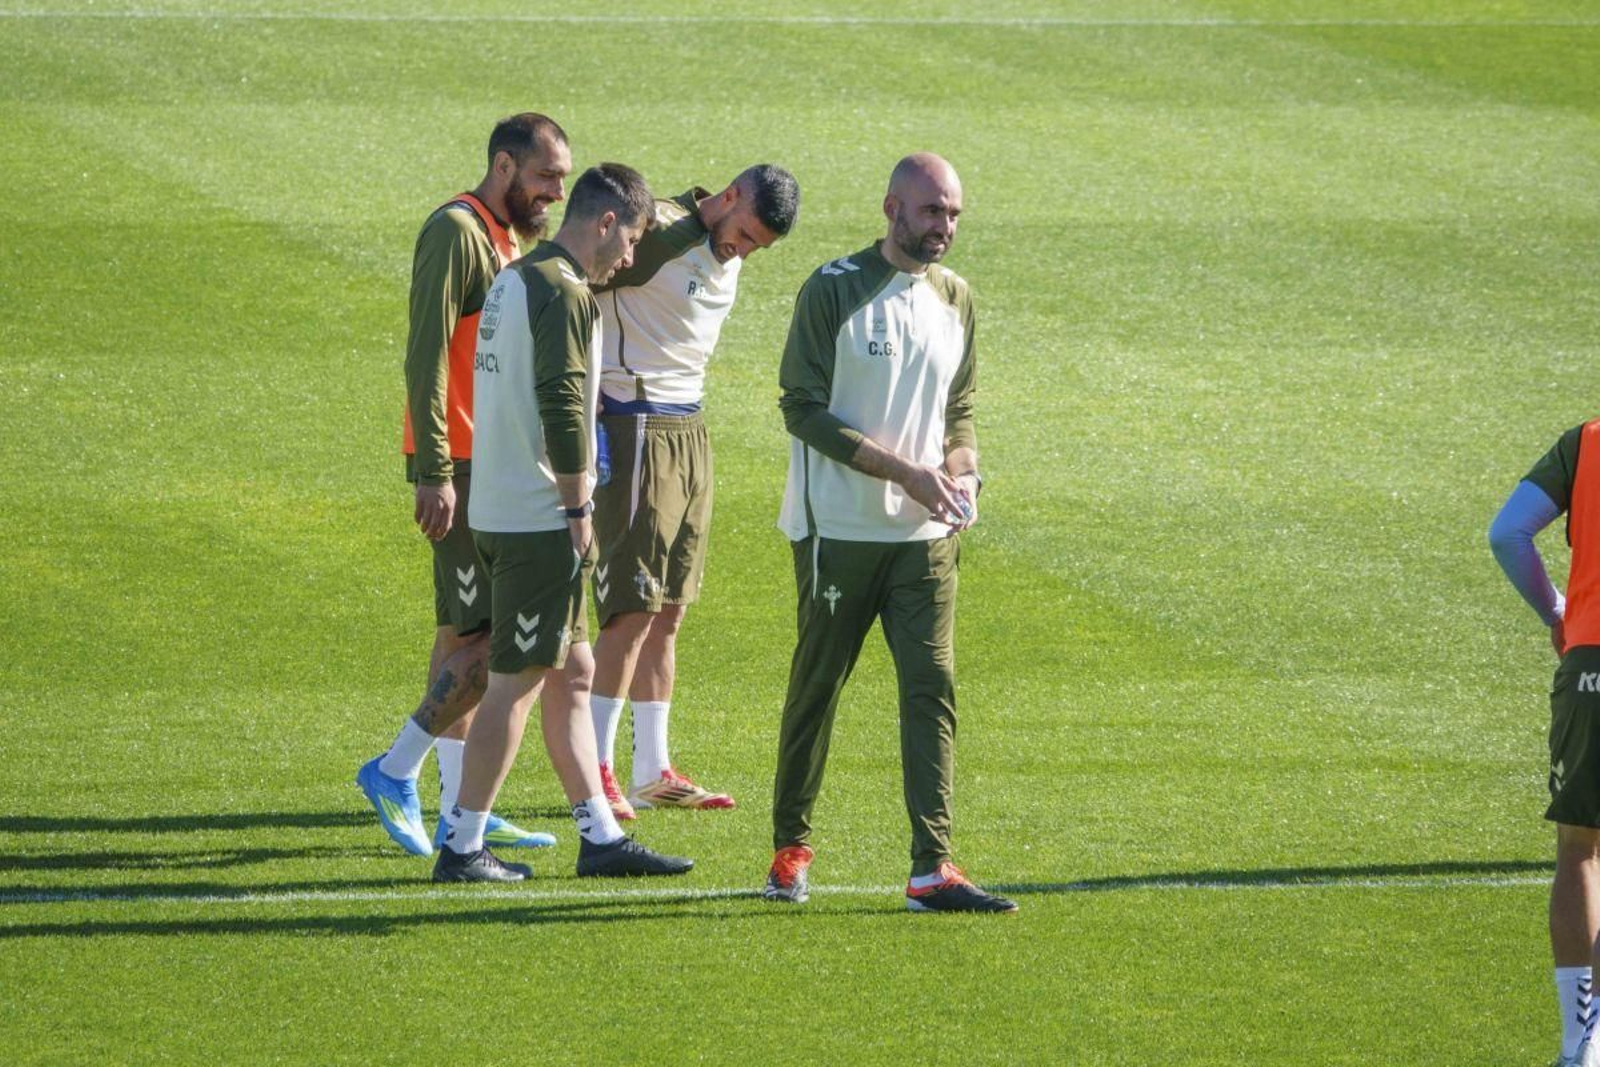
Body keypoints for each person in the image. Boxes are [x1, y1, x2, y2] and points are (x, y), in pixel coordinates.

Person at [761, 153, 1014, 914]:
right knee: (818, 687)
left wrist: (963, 471)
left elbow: (958, 409)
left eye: (955, 214)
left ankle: (932, 865)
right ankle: (789, 848)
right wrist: (904, 472)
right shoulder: (834, 289)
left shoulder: (958, 299)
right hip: (835, 531)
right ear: (892, 208)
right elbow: (799, 407)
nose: (945, 227)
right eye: (932, 211)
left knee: (931, 688)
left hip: (926, 541)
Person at [434, 162, 694, 882]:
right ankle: (461, 845)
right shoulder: (565, 292)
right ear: (607, 222)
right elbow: (563, 404)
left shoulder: (515, 278)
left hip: (497, 504)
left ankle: (600, 834)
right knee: (515, 682)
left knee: (575, 669)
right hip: (538, 517)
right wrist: (581, 507)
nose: (632, 257)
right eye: (634, 238)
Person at [357, 114, 574, 858]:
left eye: (565, 180)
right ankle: (397, 773)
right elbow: (426, 355)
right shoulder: (457, 231)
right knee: (482, 640)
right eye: (546, 176)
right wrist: (434, 470)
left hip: (495, 465)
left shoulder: (512, 237)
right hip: (464, 470)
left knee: (461, 632)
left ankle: (457, 805)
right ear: (506, 167)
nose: (556, 191)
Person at [587, 165, 801, 820]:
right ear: (728, 197)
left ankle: (652, 768)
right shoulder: (654, 232)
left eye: (758, 248)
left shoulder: (720, 247)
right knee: (631, 607)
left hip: (690, 429)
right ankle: (594, 768)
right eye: (743, 235)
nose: (744, 252)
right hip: (635, 425)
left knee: (671, 607)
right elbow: (579, 282)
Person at [1491, 419, 1600, 1067]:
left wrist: (1558, 613)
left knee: (1580, 848)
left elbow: (1507, 532)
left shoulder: (1586, 442)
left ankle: (1582, 1043)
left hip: (1590, 663)